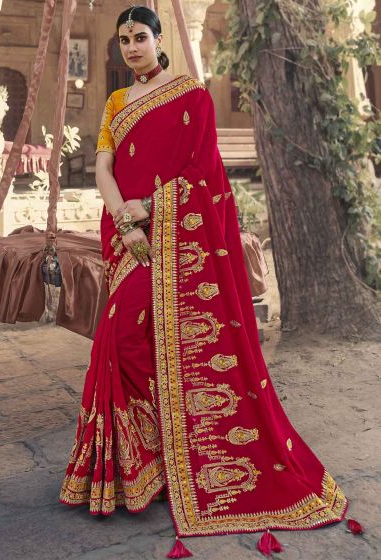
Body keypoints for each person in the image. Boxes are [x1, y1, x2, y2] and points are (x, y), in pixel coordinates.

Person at [59, 5, 348, 556]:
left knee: (136, 341)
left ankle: (175, 459)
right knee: (119, 342)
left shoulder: (191, 96)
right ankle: (143, 464)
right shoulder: (118, 101)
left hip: (173, 236)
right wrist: (125, 216)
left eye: (139, 38)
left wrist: (153, 211)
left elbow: (201, 174)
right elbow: (103, 166)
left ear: (159, 38)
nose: (130, 48)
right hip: (127, 236)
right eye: (123, 40)